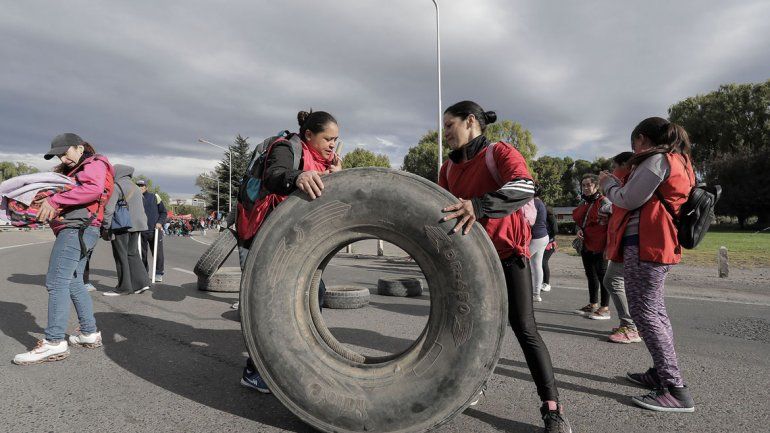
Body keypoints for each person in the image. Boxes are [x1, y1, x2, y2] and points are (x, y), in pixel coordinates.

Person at [439, 101, 570, 432]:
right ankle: (475, 384)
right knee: (476, 327)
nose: (446, 134)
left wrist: (480, 205)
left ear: (471, 122)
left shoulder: (499, 152)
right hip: (472, 259)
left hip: (509, 254)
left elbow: (525, 187)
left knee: (524, 328)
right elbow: (439, 208)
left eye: (449, 125)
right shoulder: (447, 169)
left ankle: (552, 408)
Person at [238, 110, 342, 393]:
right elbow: (274, 176)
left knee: (313, 292)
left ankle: (299, 356)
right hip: (265, 236)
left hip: (298, 241)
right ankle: (255, 371)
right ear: (309, 135)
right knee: (271, 304)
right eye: (328, 139)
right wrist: (297, 176)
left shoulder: (327, 161)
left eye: (336, 140)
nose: (333, 144)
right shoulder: (288, 148)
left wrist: (337, 177)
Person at [600, 117, 696, 412]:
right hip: (658, 242)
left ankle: (675, 388)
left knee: (644, 314)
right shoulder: (681, 160)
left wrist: (608, 186)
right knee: (655, 311)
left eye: (634, 143)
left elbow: (629, 199)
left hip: (647, 243)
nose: (633, 149)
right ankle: (661, 372)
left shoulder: (658, 161)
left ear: (642, 139)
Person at [13, 133, 112, 365]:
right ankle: (89, 333)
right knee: (74, 280)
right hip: (83, 228)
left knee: (56, 281)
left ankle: (54, 342)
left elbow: (94, 189)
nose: (63, 158)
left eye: (65, 152)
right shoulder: (80, 166)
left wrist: (55, 201)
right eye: (59, 154)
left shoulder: (94, 162)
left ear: (79, 147)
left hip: (77, 228)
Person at [600, 152, 642, 343]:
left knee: (613, 281)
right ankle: (630, 324)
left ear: (626, 165)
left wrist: (608, 185)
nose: (612, 171)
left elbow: (624, 203)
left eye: (614, 166)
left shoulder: (631, 183)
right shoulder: (631, 183)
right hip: (626, 241)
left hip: (633, 241)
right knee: (616, 281)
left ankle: (631, 326)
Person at [101, 165, 151, 296]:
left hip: (122, 225)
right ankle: (142, 283)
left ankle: (123, 288)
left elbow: (109, 209)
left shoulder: (117, 186)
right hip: (138, 225)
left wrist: (105, 226)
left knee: (120, 255)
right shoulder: (135, 187)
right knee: (132, 254)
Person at [572, 174, 611, 319]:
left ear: (596, 186)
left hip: (601, 244)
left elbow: (612, 222)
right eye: (583, 185)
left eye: (589, 185)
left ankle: (605, 308)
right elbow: (579, 221)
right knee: (591, 275)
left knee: (603, 276)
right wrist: (578, 229)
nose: (586, 188)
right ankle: (593, 304)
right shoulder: (583, 203)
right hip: (587, 244)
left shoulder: (604, 201)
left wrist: (609, 245)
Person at [136, 179, 167, 282]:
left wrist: (160, 222)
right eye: (138, 186)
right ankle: (144, 272)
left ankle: (158, 273)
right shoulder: (134, 198)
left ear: (146, 187)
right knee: (142, 254)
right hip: (141, 231)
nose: (140, 187)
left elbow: (163, 212)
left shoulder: (155, 197)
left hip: (155, 230)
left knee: (158, 253)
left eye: (142, 186)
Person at [529, 185, 549, 302]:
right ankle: (536, 294)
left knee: (522, 261)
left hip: (536, 237)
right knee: (537, 266)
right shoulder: (540, 203)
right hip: (543, 236)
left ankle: (526, 292)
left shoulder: (533, 203)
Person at [541, 205, 558, 293]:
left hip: (549, 243)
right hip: (543, 242)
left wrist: (548, 238)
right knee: (540, 263)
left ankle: (547, 283)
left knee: (543, 262)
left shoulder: (551, 217)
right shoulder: (543, 217)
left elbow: (555, 230)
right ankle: (542, 282)